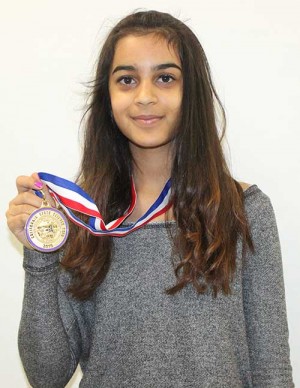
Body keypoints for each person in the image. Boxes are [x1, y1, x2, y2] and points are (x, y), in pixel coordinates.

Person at [6, 9, 294, 388]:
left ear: (191, 92)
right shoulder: (80, 217)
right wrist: (40, 249)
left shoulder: (244, 211)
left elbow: (272, 371)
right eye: (126, 79)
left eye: (165, 78)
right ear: (106, 96)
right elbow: (47, 375)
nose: (145, 96)